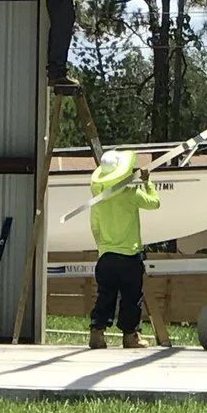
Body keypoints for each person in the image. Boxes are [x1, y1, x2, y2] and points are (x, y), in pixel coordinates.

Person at [87, 147, 161, 348]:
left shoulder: (98, 199)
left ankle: (97, 332)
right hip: (129, 255)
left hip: (106, 256)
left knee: (105, 295)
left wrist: (102, 248)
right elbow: (155, 203)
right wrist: (147, 182)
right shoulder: (130, 194)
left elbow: (95, 227)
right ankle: (130, 336)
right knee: (131, 298)